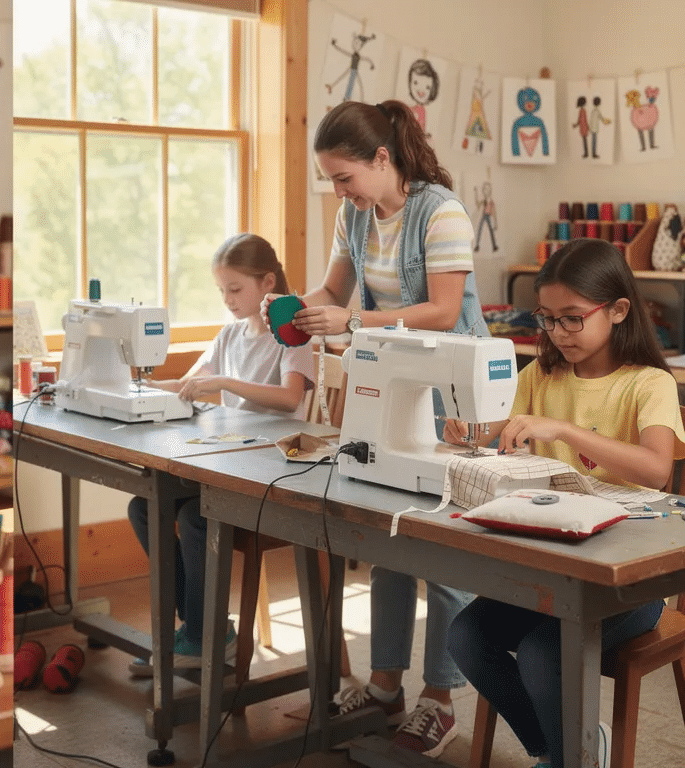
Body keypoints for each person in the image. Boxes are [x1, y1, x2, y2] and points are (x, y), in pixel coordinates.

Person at [262, 99, 484, 758]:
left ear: (382, 158)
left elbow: (444, 312)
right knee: (387, 537)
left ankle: (438, 699)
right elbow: (334, 291)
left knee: (442, 551)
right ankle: (385, 685)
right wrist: (294, 309)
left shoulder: (441, 211)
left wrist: (355, 323)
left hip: (454, 386)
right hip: (395, 382)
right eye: (333, 180)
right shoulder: (355, 215)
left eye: (344, 177)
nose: (339, 190)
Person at [445, 239, 685, 768]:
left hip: (626, 584)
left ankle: (566, 755)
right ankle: (565, 752)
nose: (557, 333)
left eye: (573, 319)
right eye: (548, 319)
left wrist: (563, 428)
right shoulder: (541, 375)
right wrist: (471, 431)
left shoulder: (649, 384)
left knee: (540, 653)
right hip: (554, 566)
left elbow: (657, 469)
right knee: (465, 637)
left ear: (618, 310)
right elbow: (506, 429)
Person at [125, 234, 314, 675]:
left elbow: (289, 399)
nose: (227, 300)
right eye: (221, 291)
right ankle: (203, 630)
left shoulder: (292, 334)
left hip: (272, 469)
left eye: (235, 289)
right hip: (230, 464)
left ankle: (200, 636)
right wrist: (137, 386)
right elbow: (191, 384)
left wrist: (225, 384)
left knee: (194, 518)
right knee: (144, 507)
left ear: (267, 282)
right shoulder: (230, 335)